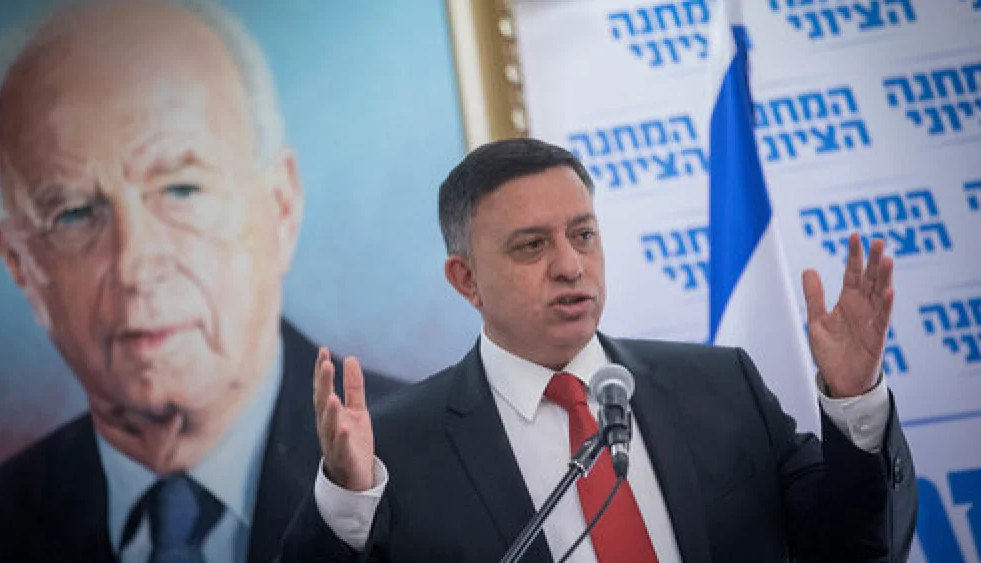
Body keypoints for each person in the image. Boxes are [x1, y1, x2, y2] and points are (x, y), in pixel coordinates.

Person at [280, 138, 917, 562]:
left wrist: (856, 400)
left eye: (582, 234)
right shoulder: (394, 449)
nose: (569, 265)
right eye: (531, 246)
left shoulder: (721, 387)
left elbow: (859, 548)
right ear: (465, 279)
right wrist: (345, 499)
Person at [0, 1, 403, 561]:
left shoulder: (424, 456)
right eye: (75, 214)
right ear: (17, 259)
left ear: (281, 207)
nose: (135, 266)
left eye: (181, 190)